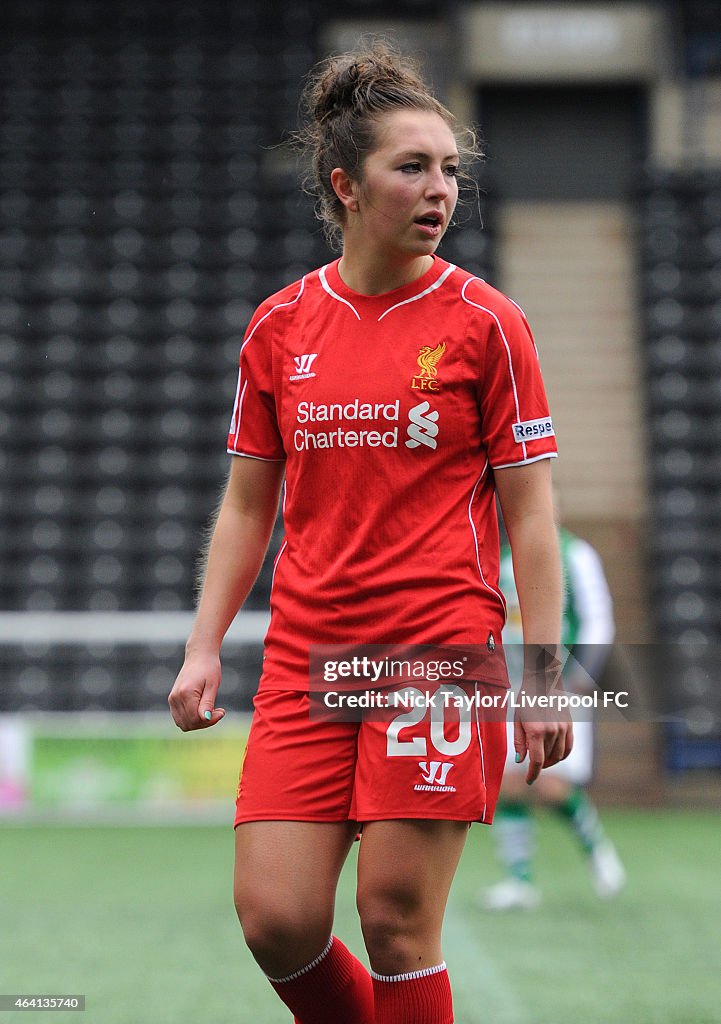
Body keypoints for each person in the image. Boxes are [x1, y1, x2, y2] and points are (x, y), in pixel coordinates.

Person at [168, 42, 572, 1024]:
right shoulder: (279, 327)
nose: (440, 189)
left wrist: (545, 669)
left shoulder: (489, 324)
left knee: (393, 923)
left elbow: (530, 509)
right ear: (346, 186)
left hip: (436, 648)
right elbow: (245, 503)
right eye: (413, 167)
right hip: (308, 651)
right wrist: (203, 646)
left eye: (448, 170)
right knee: (276, 917)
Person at [480, 517, 626, 911]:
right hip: (510, 684)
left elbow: (597, 617)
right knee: (509, 782)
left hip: (559, 681)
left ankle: (597, 850)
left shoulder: (575, 553)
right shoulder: (503, 558)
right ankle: (519, 880)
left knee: (552, 784)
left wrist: (582, 674)